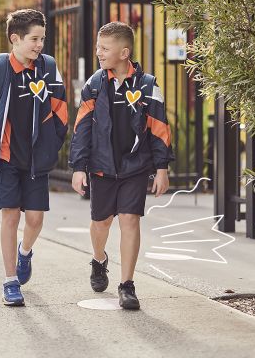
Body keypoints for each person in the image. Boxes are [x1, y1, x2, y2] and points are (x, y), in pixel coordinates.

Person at [69, 21, 175, 309]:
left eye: (105, 48)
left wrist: (161, 167)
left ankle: (127, 285)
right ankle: (99, 259)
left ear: (124, 52)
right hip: (101, 166)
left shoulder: (148, 85)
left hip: (135, 167)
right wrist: (79, 166)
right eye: (97, 48)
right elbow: (82, 128)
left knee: (130, 220)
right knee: (101, 222)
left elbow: (159, 127)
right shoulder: (94, 84)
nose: (99, 53)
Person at [0, 9, 68, 307]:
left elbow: (62, 111)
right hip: (6, 158)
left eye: (42, 39)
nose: (39, 45)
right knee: (10, 216)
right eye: (34, 39)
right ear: (15, 39)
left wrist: (51, 146)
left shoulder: (49, 68)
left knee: (35, 220)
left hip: (37, 158)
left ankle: (25, 253)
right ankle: (10, 281)